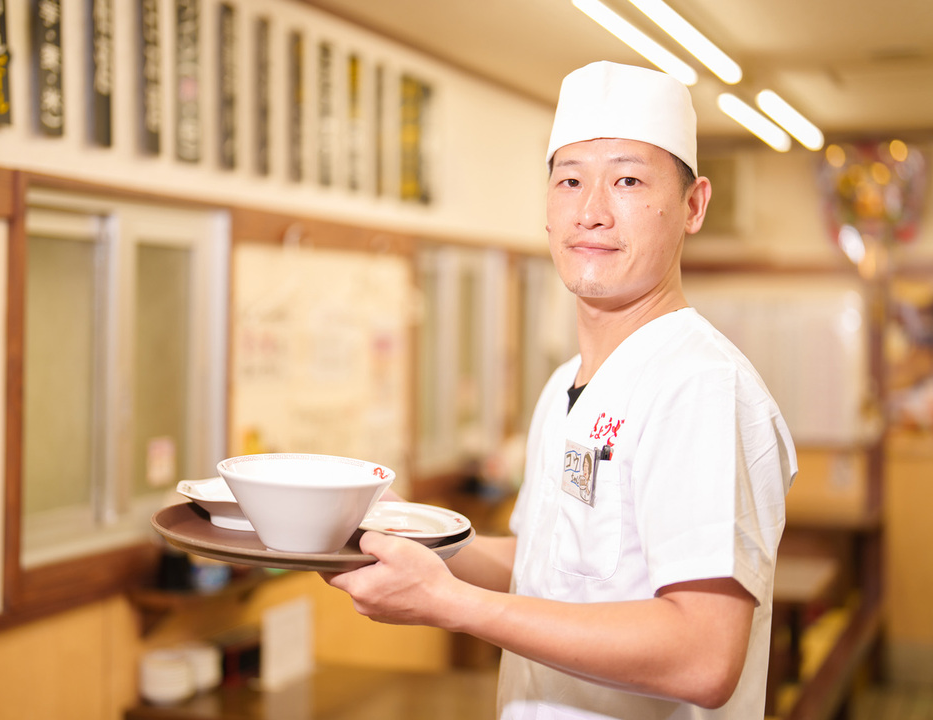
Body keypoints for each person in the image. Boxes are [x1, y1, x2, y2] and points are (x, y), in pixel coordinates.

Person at [325, 60, 798, 720]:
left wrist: (451, 605)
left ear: (694, 206)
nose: (593, 212)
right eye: (570, 180)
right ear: (547, 206)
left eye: (628, 180)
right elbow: (547, 564)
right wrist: (395, 529)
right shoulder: (563, 386)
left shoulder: (701, 386)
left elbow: (704, 655)